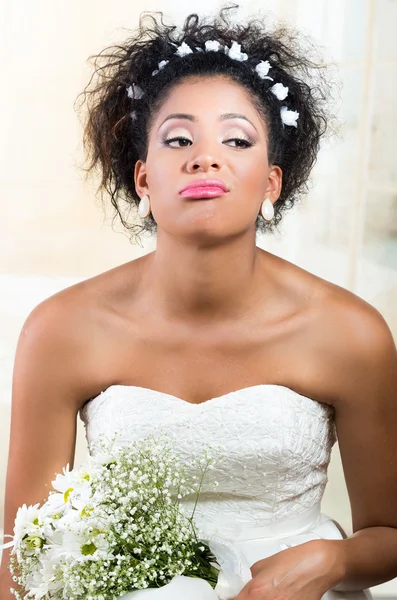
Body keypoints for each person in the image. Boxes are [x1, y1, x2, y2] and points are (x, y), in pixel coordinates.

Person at [1, 6, 397, 599]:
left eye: (237, 139)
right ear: (142, 179)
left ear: (271, 182)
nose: (204, 157)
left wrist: (331, 562)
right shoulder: (63, 328)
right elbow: (20, 558)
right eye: (179, 138)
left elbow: (389, 532)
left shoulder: (349, 332)